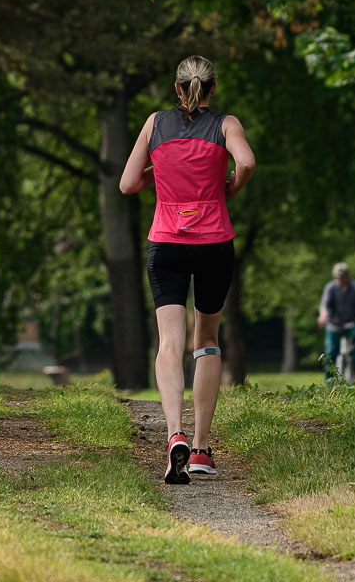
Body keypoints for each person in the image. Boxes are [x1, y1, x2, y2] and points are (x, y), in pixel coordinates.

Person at [120, 56, 255, 484]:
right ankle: (200, 449)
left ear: (178, 89)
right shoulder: (226, 124)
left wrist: (155, 172)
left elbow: (126, 184)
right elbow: (247, 163)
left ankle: (173, 433)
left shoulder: (155, 124)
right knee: (207, 340)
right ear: (213, 88)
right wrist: (231, 185)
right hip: (214, 243)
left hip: (167, 245)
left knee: (169, 344)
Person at [318, 262, 355, 384]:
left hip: (353, 323)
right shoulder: (330, 288)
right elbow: (324, 304)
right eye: (338, 277)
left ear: (348, 275)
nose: (340, 279)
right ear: (335, 277)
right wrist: (323, 314)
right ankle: (330, 383)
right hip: (334, 324)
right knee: (330, 352)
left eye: (343, 276)